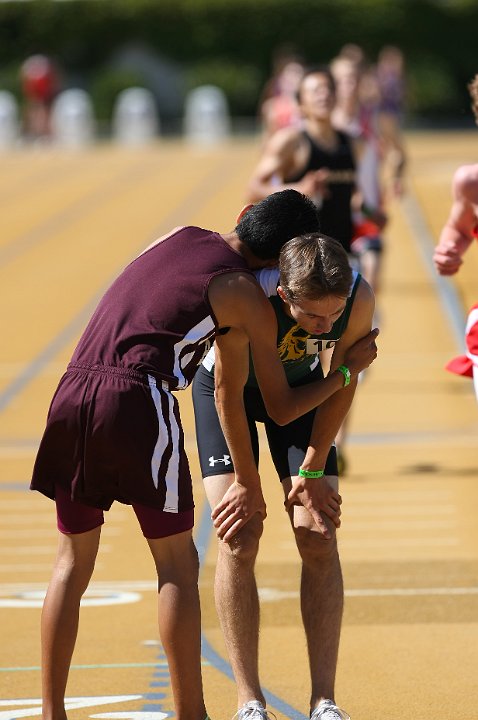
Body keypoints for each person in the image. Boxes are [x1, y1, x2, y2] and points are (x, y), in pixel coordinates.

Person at [30, 189, 378, 720]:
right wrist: (348, 369)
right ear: (285, 264)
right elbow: (263, 401)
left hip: (72, 389)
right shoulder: (242, 292)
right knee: (177, 563)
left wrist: (296, 465)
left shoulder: (181, 235)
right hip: (140, 396)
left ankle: (51, 712)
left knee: (71, 563)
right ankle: (197, 712)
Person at [192, 233, 377, 720]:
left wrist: (314, 466)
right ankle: (249, 700)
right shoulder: (247, 296)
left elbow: (343, 380)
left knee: (318, 534)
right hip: (226, 393)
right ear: (284, 294)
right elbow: (229, 398)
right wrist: (248, 485)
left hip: (302, 392)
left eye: (333, 316)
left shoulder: (358, 297)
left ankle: (324, 700)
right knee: (239, 534)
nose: (326, 324)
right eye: (314, 316)